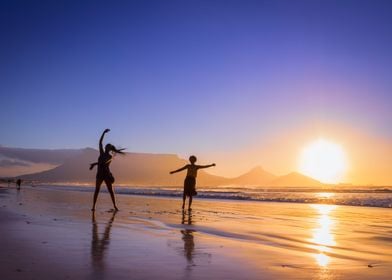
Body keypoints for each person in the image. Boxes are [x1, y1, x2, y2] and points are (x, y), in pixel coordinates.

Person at [90, 129, 125, 211]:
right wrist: (103, 133)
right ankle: (93, 206)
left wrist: (94, 164)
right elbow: (100, 143)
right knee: (97, 190)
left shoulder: (110, 157)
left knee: (111, 191)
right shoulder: (101, 153)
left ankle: (115, 206)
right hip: (99, 174)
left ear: (109, 149)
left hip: (106, 175)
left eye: (108, 146)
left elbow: (103, 164)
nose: (106, 147)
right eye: (106, 146)